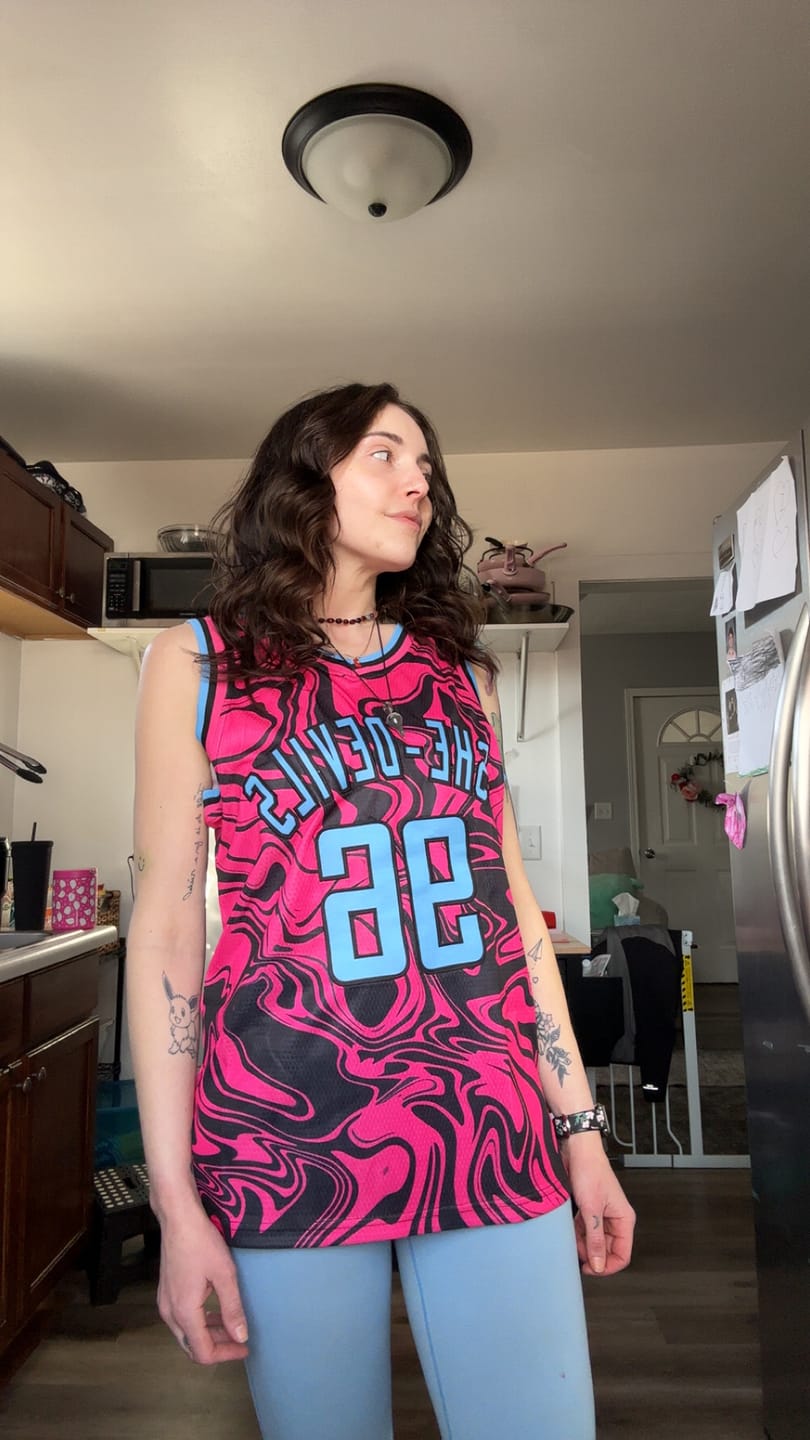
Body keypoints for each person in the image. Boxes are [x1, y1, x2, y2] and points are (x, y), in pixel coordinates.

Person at [127, 381, 635, 1440]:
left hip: (489, 1123)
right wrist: (175, 1204)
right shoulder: (198, 663)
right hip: (286, 1135)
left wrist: (582, 1133)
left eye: (427, 467)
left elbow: (513, 919)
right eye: (385, 455)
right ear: (304, 477)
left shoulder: (460, 675)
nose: (419, 483)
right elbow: (168, 935)